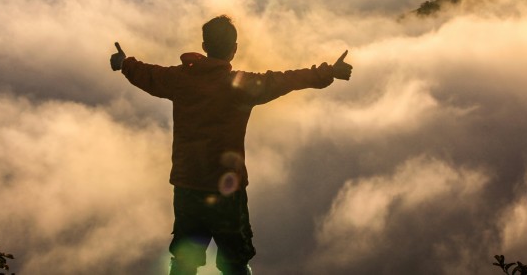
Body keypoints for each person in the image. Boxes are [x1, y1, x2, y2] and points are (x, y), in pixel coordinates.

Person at [110, 15, 352, 275]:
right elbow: (285, 79)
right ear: (234, 48)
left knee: (184, 262)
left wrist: (124, 62)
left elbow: (145, 74)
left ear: (204, 46)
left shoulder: (179, 79)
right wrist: (330, 72)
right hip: (227, 190)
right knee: (235, 263)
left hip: (187, 186)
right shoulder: (241, 86)